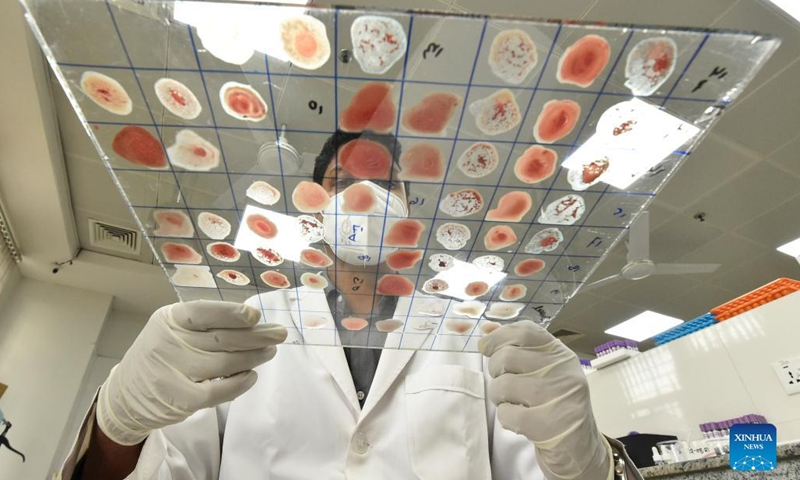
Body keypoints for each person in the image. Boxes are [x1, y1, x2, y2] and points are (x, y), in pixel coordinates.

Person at [60, 131, 643, 480]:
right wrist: (119, 421)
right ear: (315, 209)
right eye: (342, 184)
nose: (365, 199)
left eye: (386, 185)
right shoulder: (249, 322)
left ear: (410, 209)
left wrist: (583, 459)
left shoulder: (471, 331)